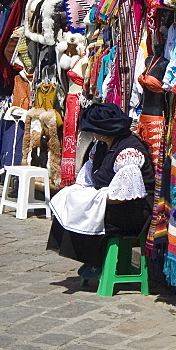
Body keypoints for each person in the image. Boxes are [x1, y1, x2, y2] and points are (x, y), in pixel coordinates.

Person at [46, 102, 155, 285]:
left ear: (105, 130)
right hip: (113, 203)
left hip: (133, 211)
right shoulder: (101, 147)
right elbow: (88, 177)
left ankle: (96, 260)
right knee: (69, 205)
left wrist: (91, 201)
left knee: (88, 213)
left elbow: (121, 196)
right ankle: (91, 259)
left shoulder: (129, 152)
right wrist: (80, 195)